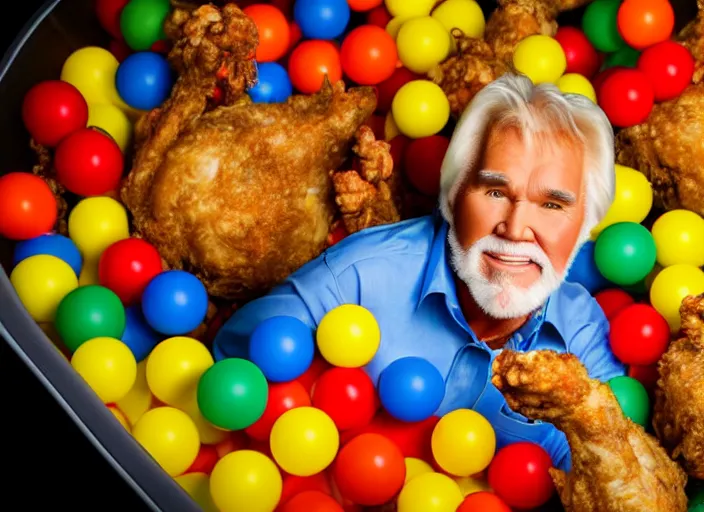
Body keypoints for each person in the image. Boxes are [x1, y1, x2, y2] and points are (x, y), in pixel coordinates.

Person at [213, 73, 627, 471]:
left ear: (585, 226)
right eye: (496, 192)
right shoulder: (362, 276)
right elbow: (231, 372)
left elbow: (619, 472)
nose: (516, 230)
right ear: (453, 195)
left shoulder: (584, 336)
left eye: (552, 205)